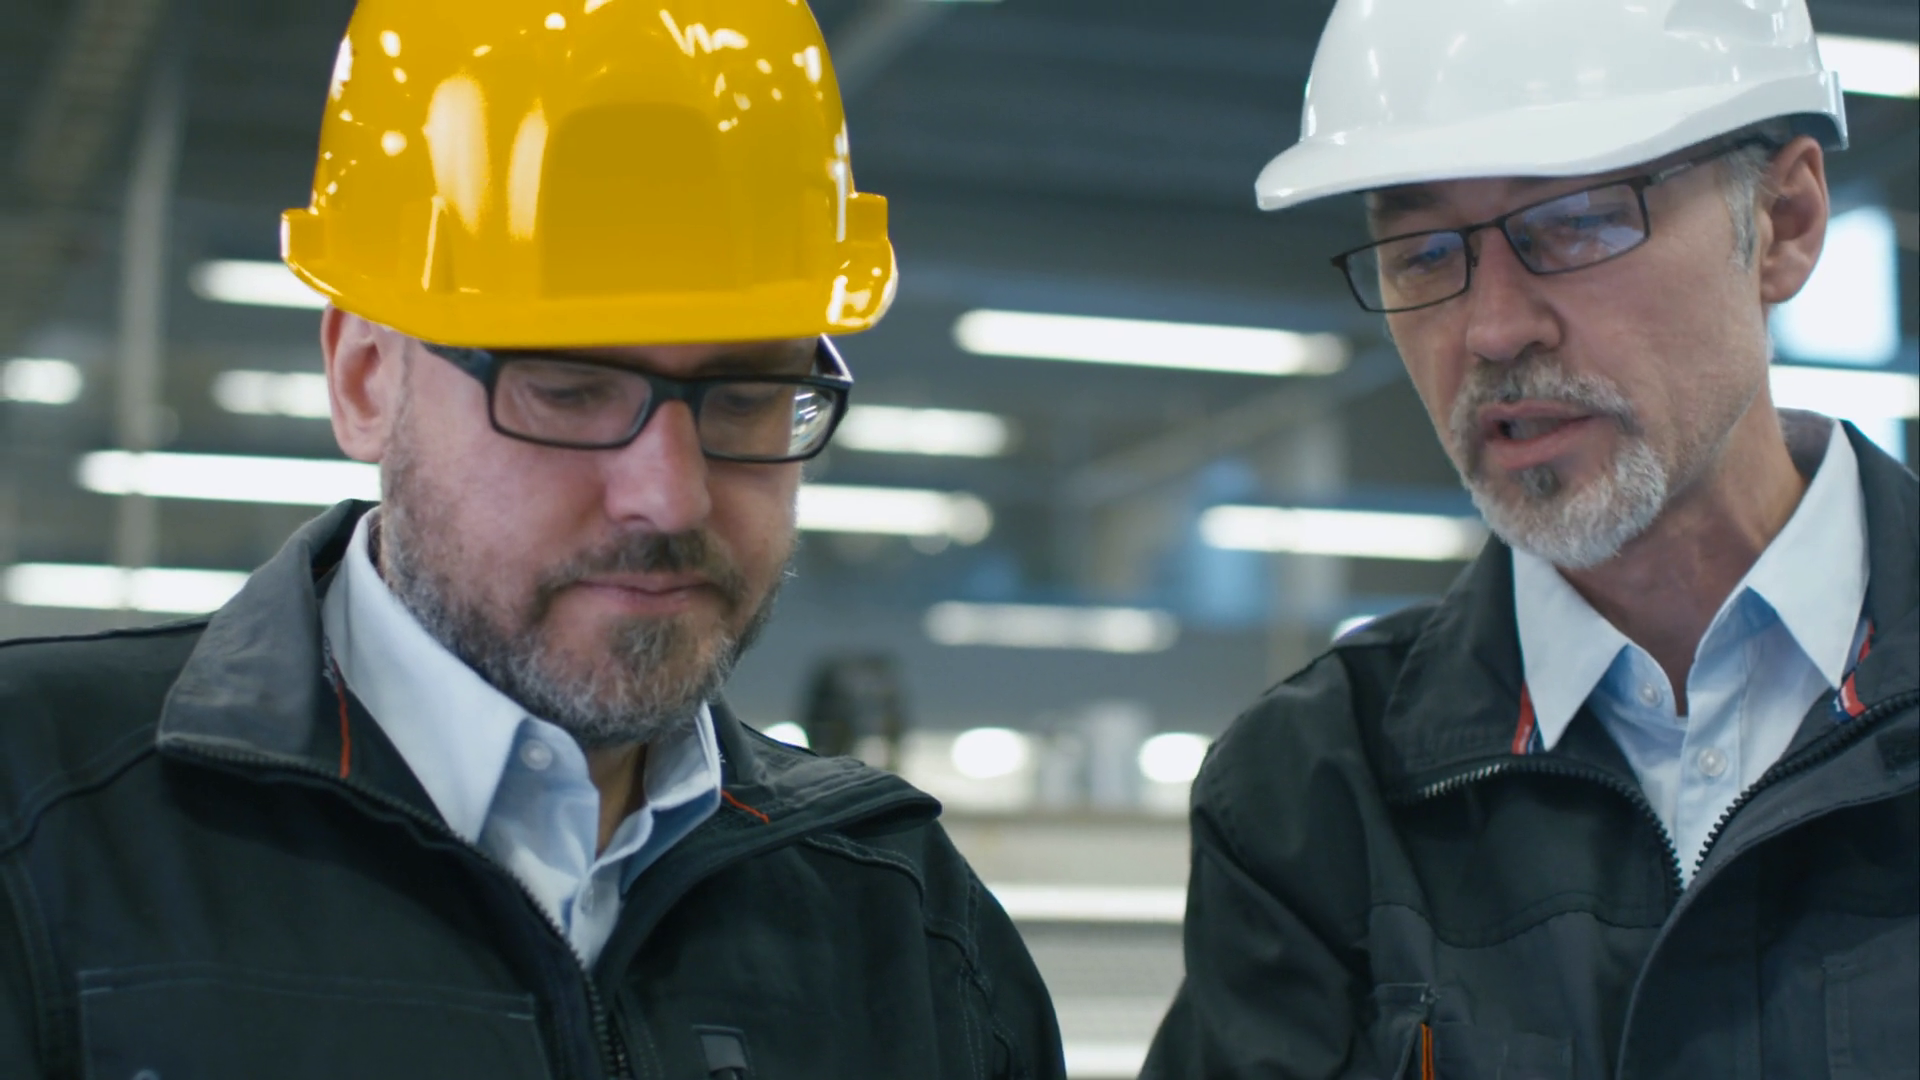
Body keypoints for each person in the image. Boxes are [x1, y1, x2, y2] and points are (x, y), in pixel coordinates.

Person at [0, 3, 1064, 1077]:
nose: (670, 498)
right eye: (567, 389)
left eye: (746, 398)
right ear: (366, 379)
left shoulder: (903, 921)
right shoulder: (35, 818)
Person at [1144, 1, 1917, 1077]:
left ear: (1782, 223)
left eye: (1579, 221)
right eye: (1421, 254)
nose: (1495, 329)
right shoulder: (1316, 791)